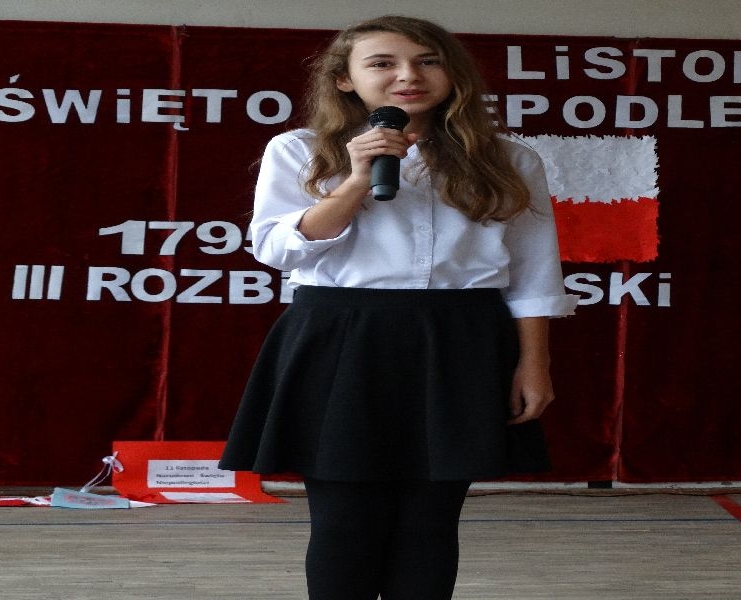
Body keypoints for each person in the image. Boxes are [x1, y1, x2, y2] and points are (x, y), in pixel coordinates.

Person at [219, 15, 577, 600]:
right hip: (342, 336)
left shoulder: (508, 158)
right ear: (344, 79)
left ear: (453, 73)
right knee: (344, 521)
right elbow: (278, 249)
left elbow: (533, 274)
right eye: (382, 63)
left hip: (460, 337)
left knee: (430, 521)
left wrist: (533, 364)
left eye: (427, 61)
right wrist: (356, 179)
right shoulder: (300, 150)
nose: (408, 76)